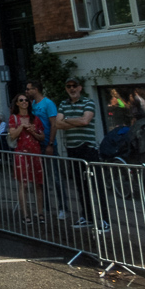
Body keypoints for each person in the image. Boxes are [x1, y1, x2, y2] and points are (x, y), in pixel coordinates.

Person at [57, 77, 110, 232]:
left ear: (80, 88)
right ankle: (87, 216)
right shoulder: (63, 104)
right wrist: (75, 120)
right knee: (81, 185)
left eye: (74, 86)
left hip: (88, 148)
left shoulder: (88, 102)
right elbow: (58, 123)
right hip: (72, 148)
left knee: (97, 185)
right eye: (68, 86)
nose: (72, 89)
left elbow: (85, 121)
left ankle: (105, 220)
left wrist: (67, 119)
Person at [25, 79, 68, 220]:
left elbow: (53, 124)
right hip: (38, 143)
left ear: (36, 89)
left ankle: (63, 208)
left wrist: (50, 143)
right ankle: (45, 207)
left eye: (29, 89)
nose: (27, 91)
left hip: (48, 143)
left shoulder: (48, 104)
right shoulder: (32, 104)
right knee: (41, 178)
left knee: (54, 177)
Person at [9, 92, 44, 225]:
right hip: (21, 153)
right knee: (23, 184)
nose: (24, 102)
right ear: (17, 103)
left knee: (38, 184)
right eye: (21, 100)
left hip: (35, 152)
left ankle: (40, 213)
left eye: (26, 100)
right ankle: (25, 214)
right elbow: (12, 135)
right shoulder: (14, 118)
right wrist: (22, 127)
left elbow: (42, 137)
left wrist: (33, 131)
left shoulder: (35, 118)